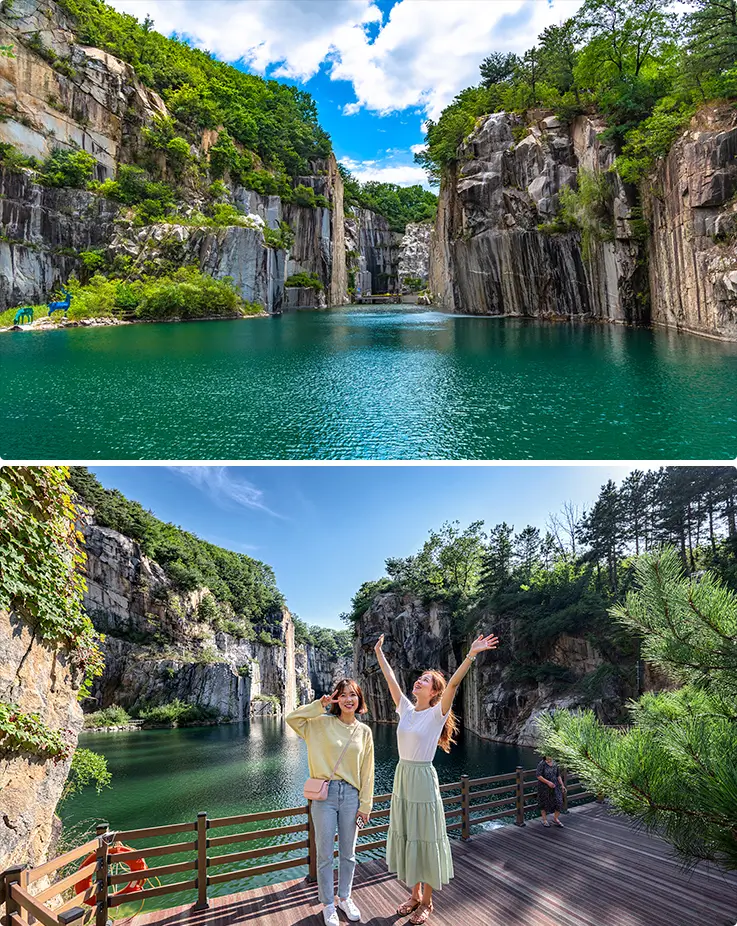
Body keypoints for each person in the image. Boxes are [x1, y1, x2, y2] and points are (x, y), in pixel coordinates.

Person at [374, 631, 499, 925]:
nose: (420, 681)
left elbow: (454, 682)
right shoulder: (406, 708)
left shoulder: (436, 714)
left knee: (426, 838)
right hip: (402, 776)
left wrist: (471, 654)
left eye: (426, 681)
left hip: (421, 779)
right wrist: (379, 653)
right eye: (420, 678)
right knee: (408, 836)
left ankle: (427, 902)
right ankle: (414, 895)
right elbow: (391, 679)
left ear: (434, 693)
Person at [286, 679, 375, 926]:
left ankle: (345, 898)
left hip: (351, 796)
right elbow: (291, 719)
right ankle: (327, 904)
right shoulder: (319, 724)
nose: (348, 700)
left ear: (359, 700)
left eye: (353, 695)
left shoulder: (364, 732)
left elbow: (368, 772)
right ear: (337, 698)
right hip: (324, 796)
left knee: (349, 853)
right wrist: (318, 705)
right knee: (325, 853)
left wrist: (365, 805)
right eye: (343, 695)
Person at [536, 755, 566, 827]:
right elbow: (538, 776)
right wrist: (548, 782)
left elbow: (558, 775)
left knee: (559, 802)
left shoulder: (555, 763)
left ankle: (555, 818)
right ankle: (544, 820)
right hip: (544, 787)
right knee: (544, 802)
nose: (550, 757)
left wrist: (562, 785)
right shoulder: (542, 764)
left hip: (555, 786)